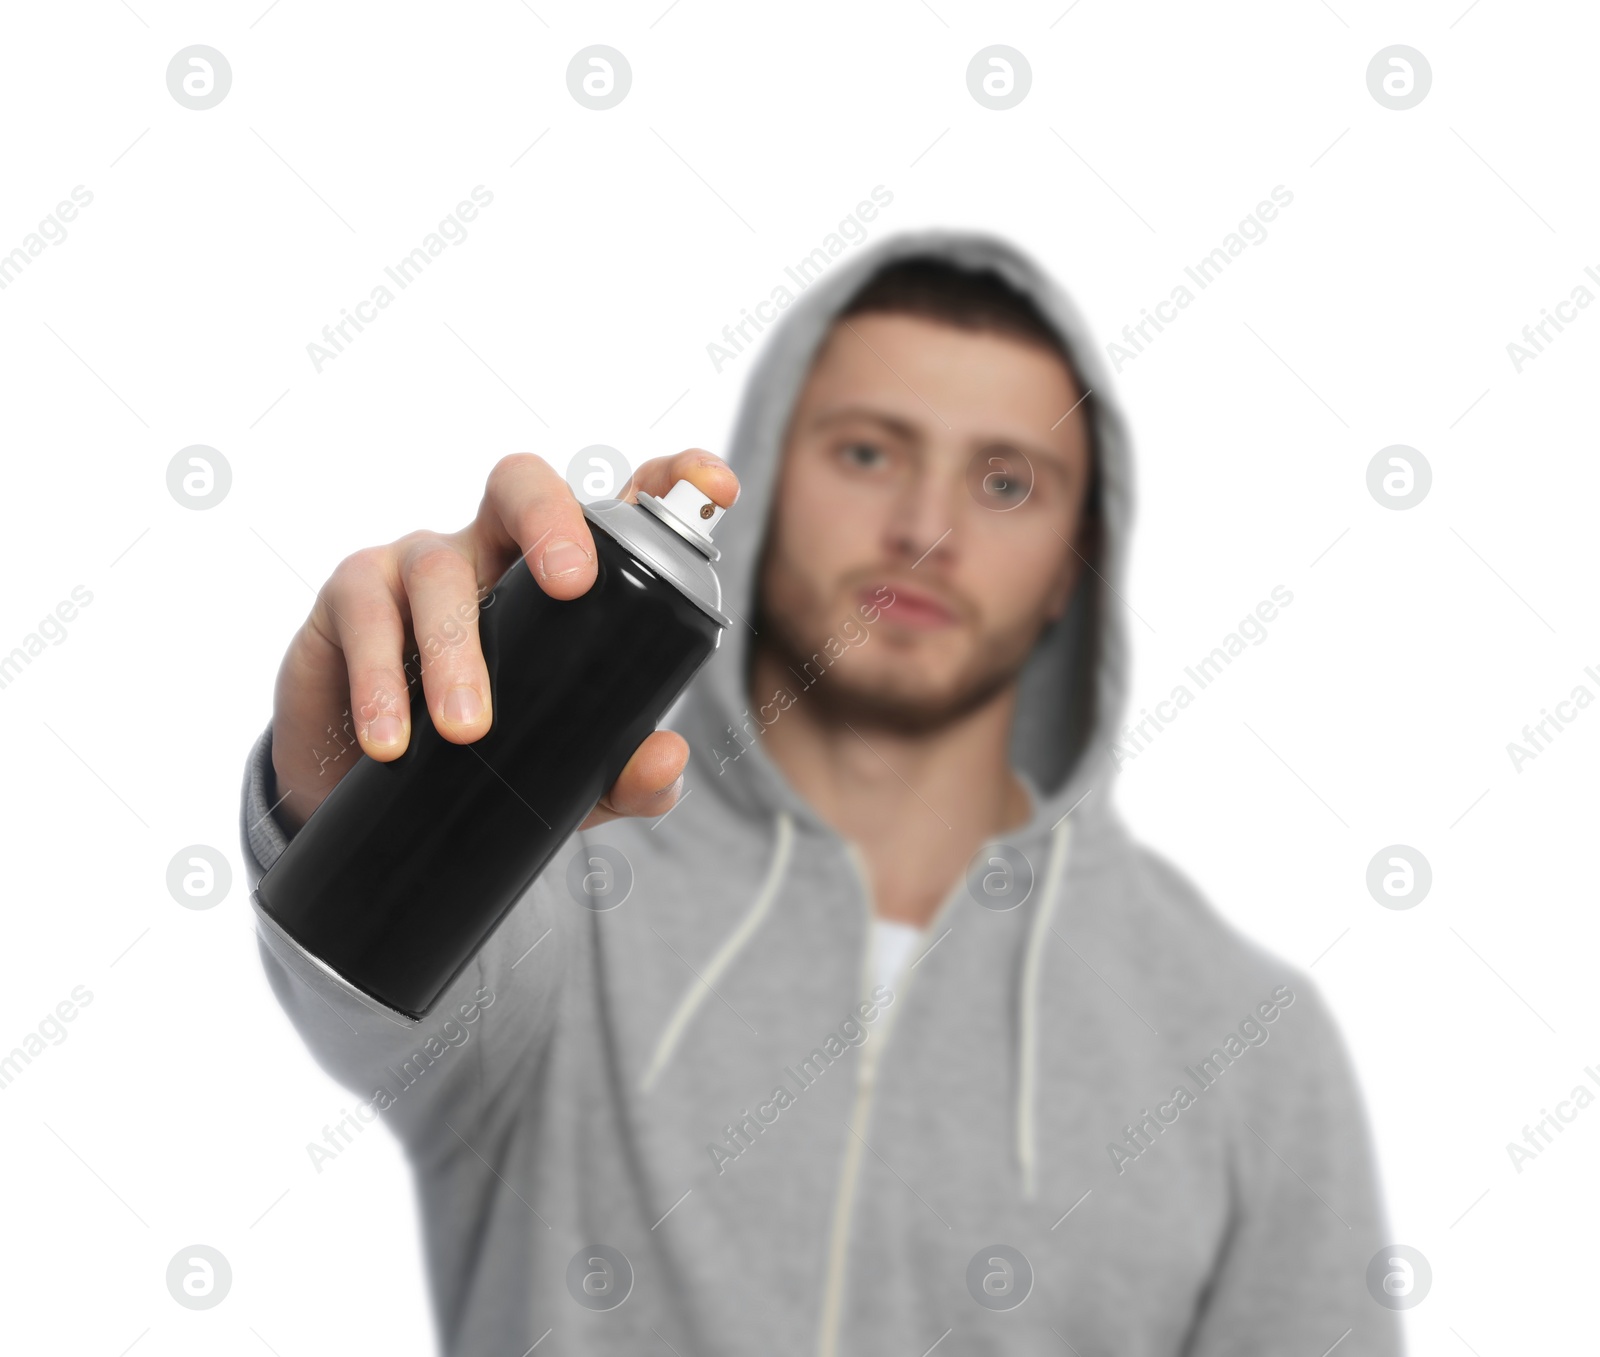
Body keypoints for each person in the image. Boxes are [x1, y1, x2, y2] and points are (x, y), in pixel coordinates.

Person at [241, 231, 1401, 1357]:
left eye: (1006, 479)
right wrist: (360, 771)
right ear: (768, 489)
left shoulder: (1245, 1044)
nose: (925, 527)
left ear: (1073, 564)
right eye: (865, 451)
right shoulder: (556, 904)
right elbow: (369, 965)